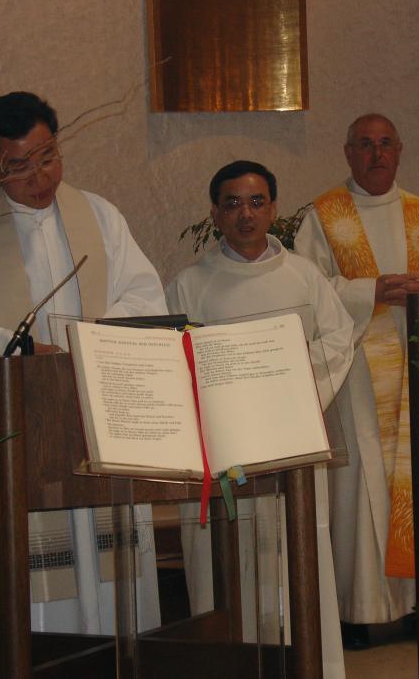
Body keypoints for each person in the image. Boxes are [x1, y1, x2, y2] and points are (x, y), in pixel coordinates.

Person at [0, 91, 168, 635]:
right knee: (41, 584)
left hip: (103, 415)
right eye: (19, 165)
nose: (39, 177)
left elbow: (144, 297)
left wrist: (93, 341)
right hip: (24, 425)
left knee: (115, 578)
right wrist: (22, 351)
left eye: (48, 157)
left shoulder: (100, 217)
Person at [166, 160, 354, 678]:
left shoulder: (305, 275)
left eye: (255, 202)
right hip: (223, 447)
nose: (245, 214)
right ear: (215, 214)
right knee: (229, 563)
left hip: (293, 438)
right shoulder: (190, 284)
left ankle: (310, 665)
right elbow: (172, 360)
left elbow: (338, 340)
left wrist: (291, 388)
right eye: (232, 203)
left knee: (295, 556)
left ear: (272, 209)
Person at [294, 114, 419, 644]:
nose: (376, 154)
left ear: (399, 150)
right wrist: (369, 291)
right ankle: (361, 609)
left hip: (418, 371)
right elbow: (306, 288)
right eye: (365, 145)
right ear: (348, 152)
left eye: (385, 144)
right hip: (356, 378)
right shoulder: (324, 215)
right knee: (358, 491)